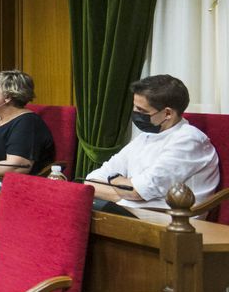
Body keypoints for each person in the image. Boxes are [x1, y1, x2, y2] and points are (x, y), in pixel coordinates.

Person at [86, 74, 220, 213]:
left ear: (168, 113)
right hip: (133, 212)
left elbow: (136, 192)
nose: (135, 113)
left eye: (142, 110)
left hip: (175, 221)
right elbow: (91, 181)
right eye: (135, 107)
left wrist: (115, 179)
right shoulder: (146, 136)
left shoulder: (189, 140)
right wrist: (125, 186)